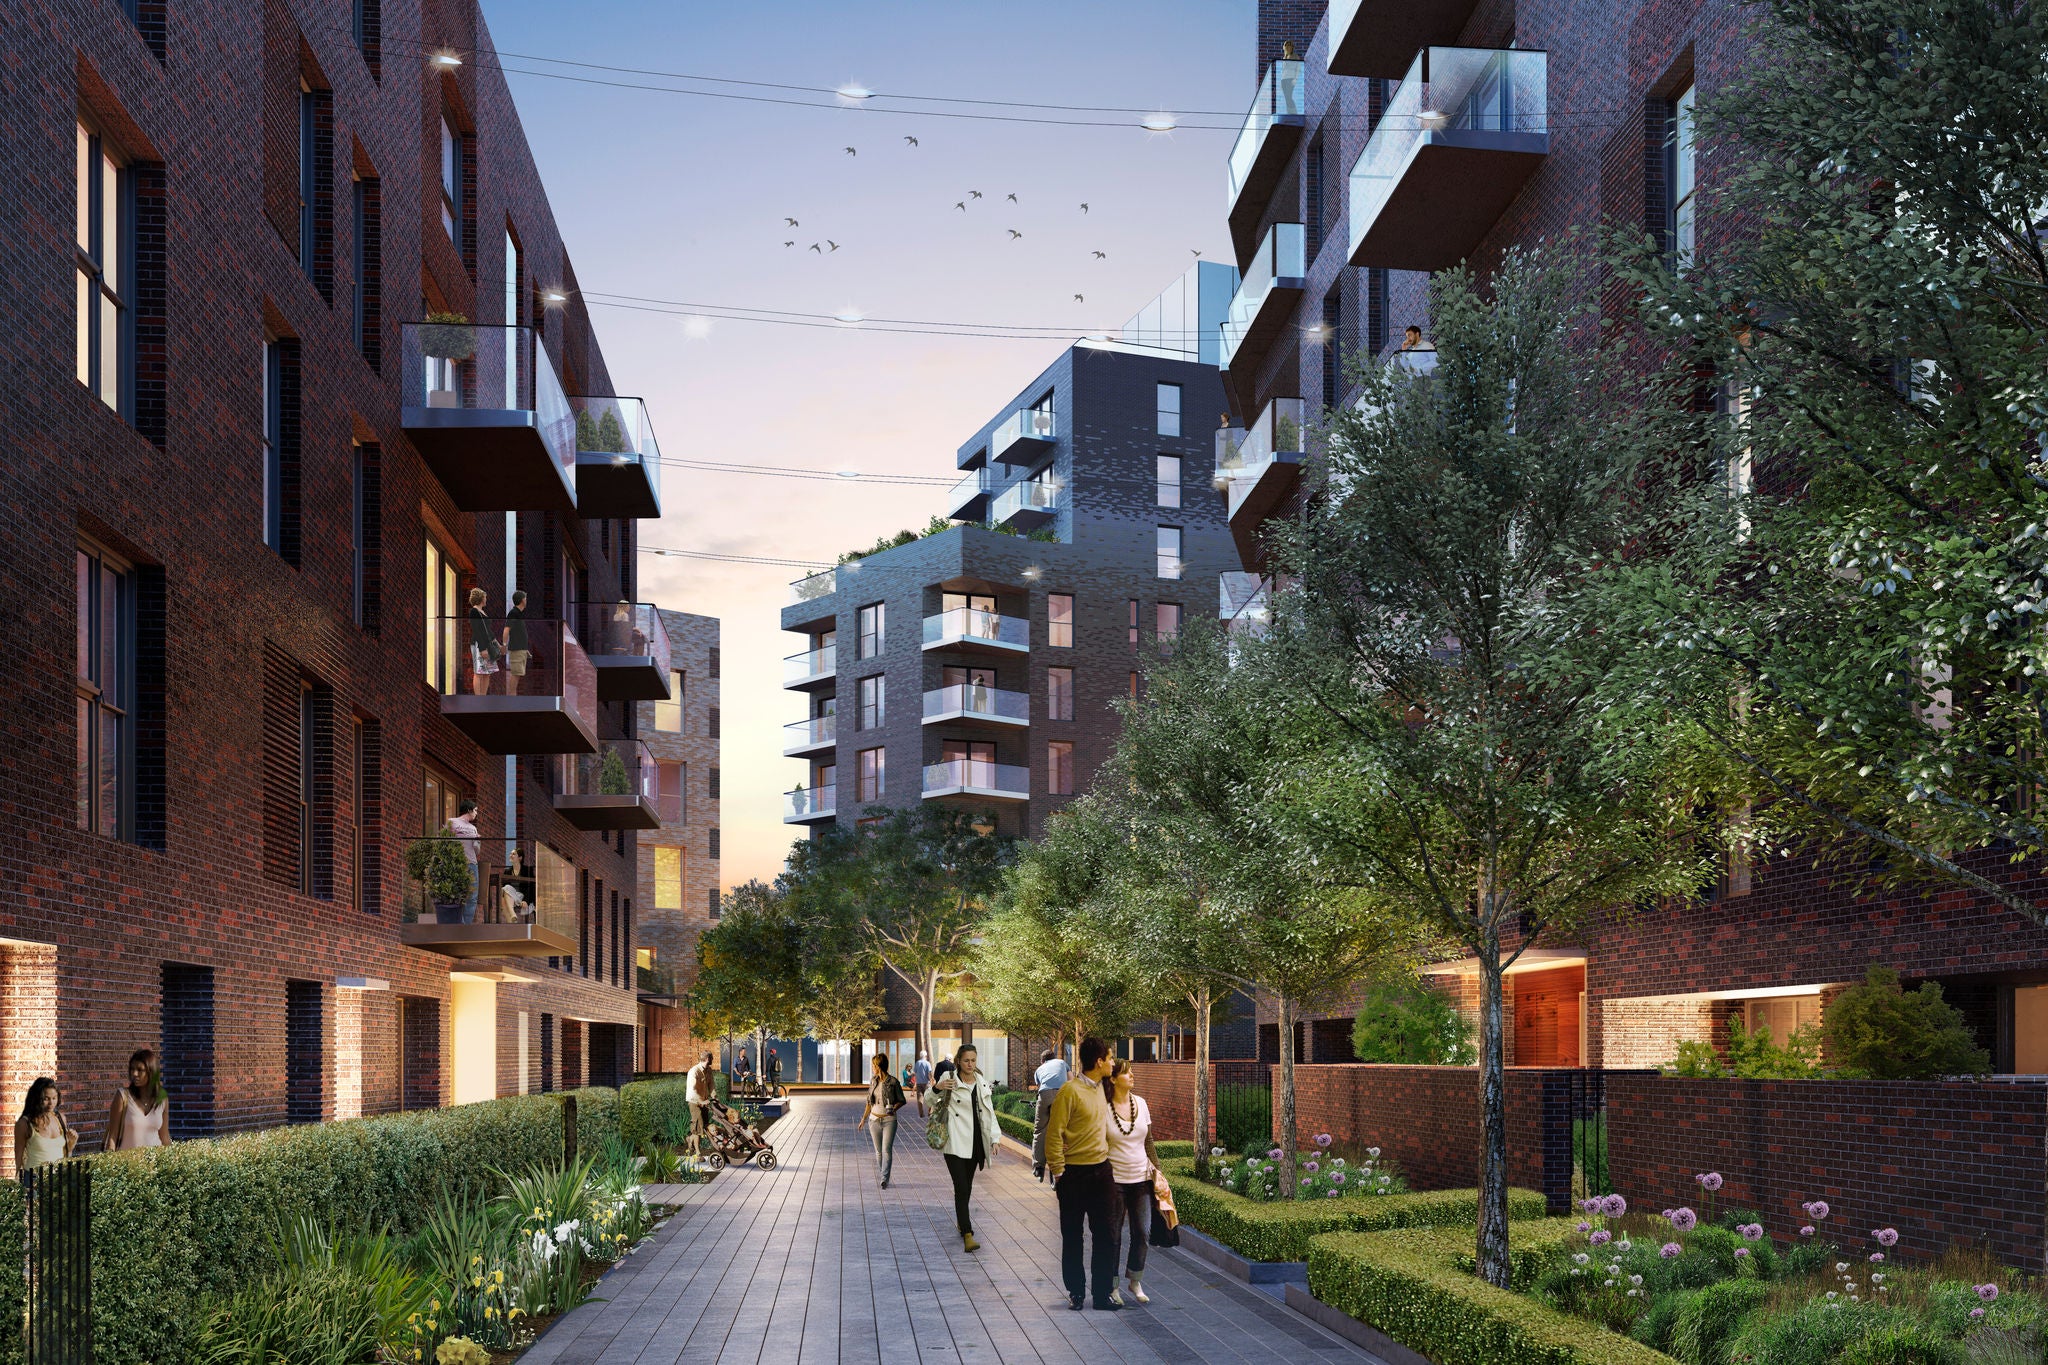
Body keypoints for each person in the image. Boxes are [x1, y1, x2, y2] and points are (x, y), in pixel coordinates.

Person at [1045, 1037, 1120, 1311]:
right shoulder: (1070, 1091)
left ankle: (1101, 1295)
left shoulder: (1102, 1088)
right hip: (1073, 1176)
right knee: (1073, 1236)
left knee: (1106, 1235)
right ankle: (1076, 1291)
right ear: (1098, 1062)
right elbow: (1054, 1134)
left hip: (1102, 1173)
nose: (1113, 1062)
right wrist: (1059, 1172)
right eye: (1110, 1058)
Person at [928, 1043, 1000, 1252]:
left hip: (976, 1143)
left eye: (973, 1060)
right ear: (958, 1061)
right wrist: (937, 1088)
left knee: (966, 1187)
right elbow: (928, 1099)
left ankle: (962, 1220)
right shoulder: (948, 1079)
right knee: (961, 1186)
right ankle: (967, 1233)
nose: (970, 1064)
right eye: (966, 1060)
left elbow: (989, 1113)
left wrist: (994, 1138)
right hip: (955, 1142)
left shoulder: (982, 1082)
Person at [1105, 1058, 1162, 1305]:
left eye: (1132, 1072)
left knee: (1142, 1231)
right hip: (1113, 1181)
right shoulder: (1103, 1108)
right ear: (1114, 1078)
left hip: (1141, 1179)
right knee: (1113, 1235)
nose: (1132, 1076)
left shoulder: (1141, 1103)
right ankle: (1112, 1286)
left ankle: (1135, 1280)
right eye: (1127, 1073)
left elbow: (1148, 1142)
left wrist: (1158, 1172)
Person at [855, 1053, 906, 1188]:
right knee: (878, 1151)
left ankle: (884, 1178)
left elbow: (902, 1100)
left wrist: (893, 1109)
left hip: (889, 1120)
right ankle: (883, 1173)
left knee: (886, 1150)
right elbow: (868, 1102)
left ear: (879, 1066)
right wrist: (863, 1119)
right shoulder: (873, 1081)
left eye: (873, 1065)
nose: (872, 1067)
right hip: (874, 1120)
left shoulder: (894, 1082)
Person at [104, 1049, 168, 1151]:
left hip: (155, 1163)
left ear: (151, 1072)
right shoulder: (122, 1096)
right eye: (132, 1069)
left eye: (140, 1070)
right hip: (128, 1164)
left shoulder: (162, 1099)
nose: (134, 1073)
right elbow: (112, 1137)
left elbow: (164, 1137)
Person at [14, 1078, 77, 1174]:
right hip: (34, 1181)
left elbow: (66, 1156)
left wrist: (71, 1146)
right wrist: (18, 1184)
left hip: (57, 1180)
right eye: (46, 1099)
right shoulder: (24, 1124)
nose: (51, 1103)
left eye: (54, 1098)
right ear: (36, 1098)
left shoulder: (60, 1119)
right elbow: (18, 1160)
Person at [1031, 1049, 1069, 1182]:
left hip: (1045, 1096)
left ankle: (1038, 1167)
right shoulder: (1062, 1063)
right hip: (1061, 1095)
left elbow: (1040, 1086)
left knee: (1040, 1130)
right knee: (1064, 1128)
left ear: (1043, 1061)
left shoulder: (1039, 1069)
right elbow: (1072, 1080)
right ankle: (1065, 1160)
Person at [447, 798, 482, 924]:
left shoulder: (473, 828)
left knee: (472, 897)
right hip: (457, 863)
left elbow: (477, 850)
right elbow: (445, 840)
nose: (476, 813)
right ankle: (458, 923)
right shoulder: (452, 822)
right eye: (475, 810)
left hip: (472, 864)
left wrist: (478, 841)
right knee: (456, 893)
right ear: (469, 810)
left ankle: (466, 926)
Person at [466, 587, 500, 695]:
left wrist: (497, 644)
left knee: (487, 673)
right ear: (481, 598)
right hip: (479, 645)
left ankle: (483, 697)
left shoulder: (482, 612)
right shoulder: (474, 612)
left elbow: (488, 631)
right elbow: (477, 631)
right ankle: (478, 699)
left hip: (488, 645)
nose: (486, 599)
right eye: (485, 597)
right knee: (479, 672)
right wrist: (482, 649)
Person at [501, 590, 532, 696]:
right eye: (525, 598)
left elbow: (518, 633)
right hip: (516, 649)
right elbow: (506, 630)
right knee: (515, 674)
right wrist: (504, 645)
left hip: (521, 649)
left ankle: (513, 698)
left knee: (517, 675)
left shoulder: (519, 614)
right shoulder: (513, 613)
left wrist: (524, 648)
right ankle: (511, 699)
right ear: (522, 600)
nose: (526, 600)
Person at [684, 1051, 716, 1148]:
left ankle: (690, 1139)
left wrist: (714, 1095)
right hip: (694, 1102)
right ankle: (698, 1154)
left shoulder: (708, 1070)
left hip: (704, 1101)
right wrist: (701, 1101)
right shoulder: (694, 1071)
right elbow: (692, 1090)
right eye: (711, 1058)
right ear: (707, 1059)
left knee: (704, 1126)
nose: (713, 1060)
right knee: (698, 1125)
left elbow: (711, 1084)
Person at [913, 1049, 933, 1116]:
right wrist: (931, 1080)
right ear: (926, 1056)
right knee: (929, 1098)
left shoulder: (917, 1063)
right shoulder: (927, 1063)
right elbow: (929, 1073)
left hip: (919, 1083)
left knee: (919, 1098)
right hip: (926, 1083)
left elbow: (915, 1072)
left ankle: (921, 1114)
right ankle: (929, 1112)